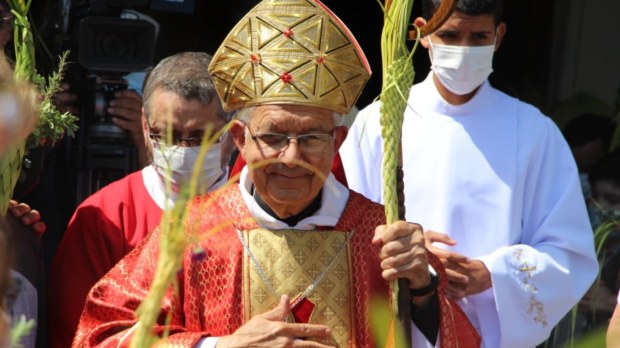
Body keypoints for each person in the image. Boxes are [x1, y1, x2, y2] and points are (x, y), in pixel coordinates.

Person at [72, 1, 481, 347]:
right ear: (239, 139)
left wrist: (423, 290)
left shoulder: (379, 235)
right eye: (272, 136)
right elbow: (102, 334)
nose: (291, 157)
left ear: (337, 140)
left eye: (311, 137)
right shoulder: (189, 231)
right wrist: (220, 346)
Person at [340, 0, 599, 347]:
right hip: (401, 331)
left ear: (499, 36)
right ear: (422, 31)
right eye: (449, 34)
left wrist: (494, 274)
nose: (464, 50)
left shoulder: (534, 132)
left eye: (478, 37)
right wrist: (407, 251)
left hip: (492, 334)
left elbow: (570, 254)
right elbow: (344, 229)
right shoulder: (380, 122)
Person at [48, 51, 233, 348]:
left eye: (200, 137)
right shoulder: (104, 217)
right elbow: (78, 334)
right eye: (168, 135)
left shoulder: (258, 211)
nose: (183, 150)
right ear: (146, 128)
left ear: (231, 133)